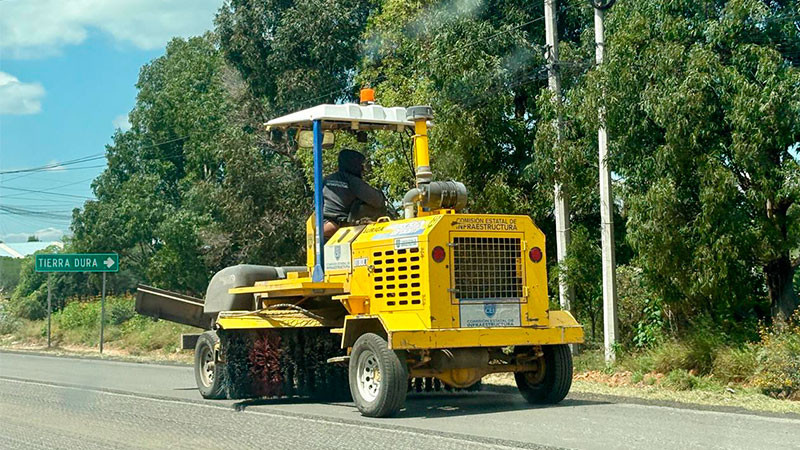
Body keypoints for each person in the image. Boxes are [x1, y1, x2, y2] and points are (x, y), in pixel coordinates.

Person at [322, 149, 387, 238]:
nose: (362, 169)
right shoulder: (352, 181)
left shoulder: (326, 180)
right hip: (338, 228)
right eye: (361, 165)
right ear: (354, 165)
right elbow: (378, 201)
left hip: (323, 226)